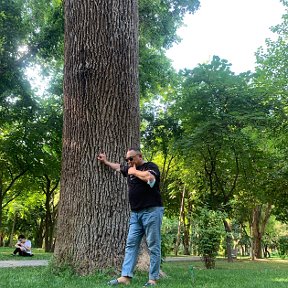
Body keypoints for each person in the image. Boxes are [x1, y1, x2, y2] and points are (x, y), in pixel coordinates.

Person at [97, 147, 164, 287]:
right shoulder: (128, 168)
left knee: (153, 245)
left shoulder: (150, 166)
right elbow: (118, 167)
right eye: (127, 159)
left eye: (131, 158)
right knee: (131, 244)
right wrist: (106, 161)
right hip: (136, 214)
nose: (128, 161)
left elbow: (150, 179)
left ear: (139, 156)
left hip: (152, 211)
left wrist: (134, 171)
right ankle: (125, 277)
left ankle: (153, 279)